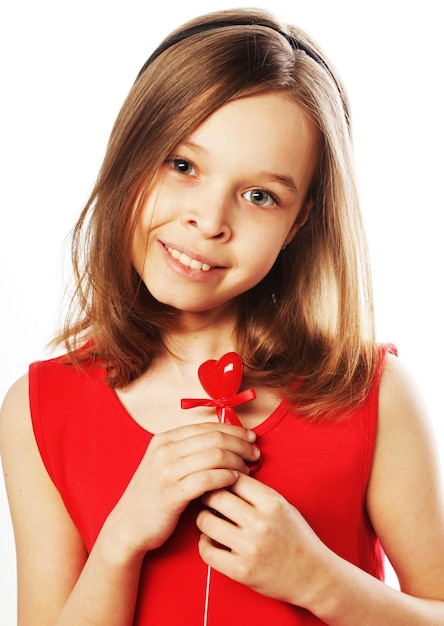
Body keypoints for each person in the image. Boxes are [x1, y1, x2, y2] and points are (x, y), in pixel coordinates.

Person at [1, 7, 443, 626]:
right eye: (182, 166)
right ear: (131, 155)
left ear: (300, 221)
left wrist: (320, 582)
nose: (209, 221)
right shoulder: (38, 410)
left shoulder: (372, 395)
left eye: (260, 195)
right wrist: (120, 543)